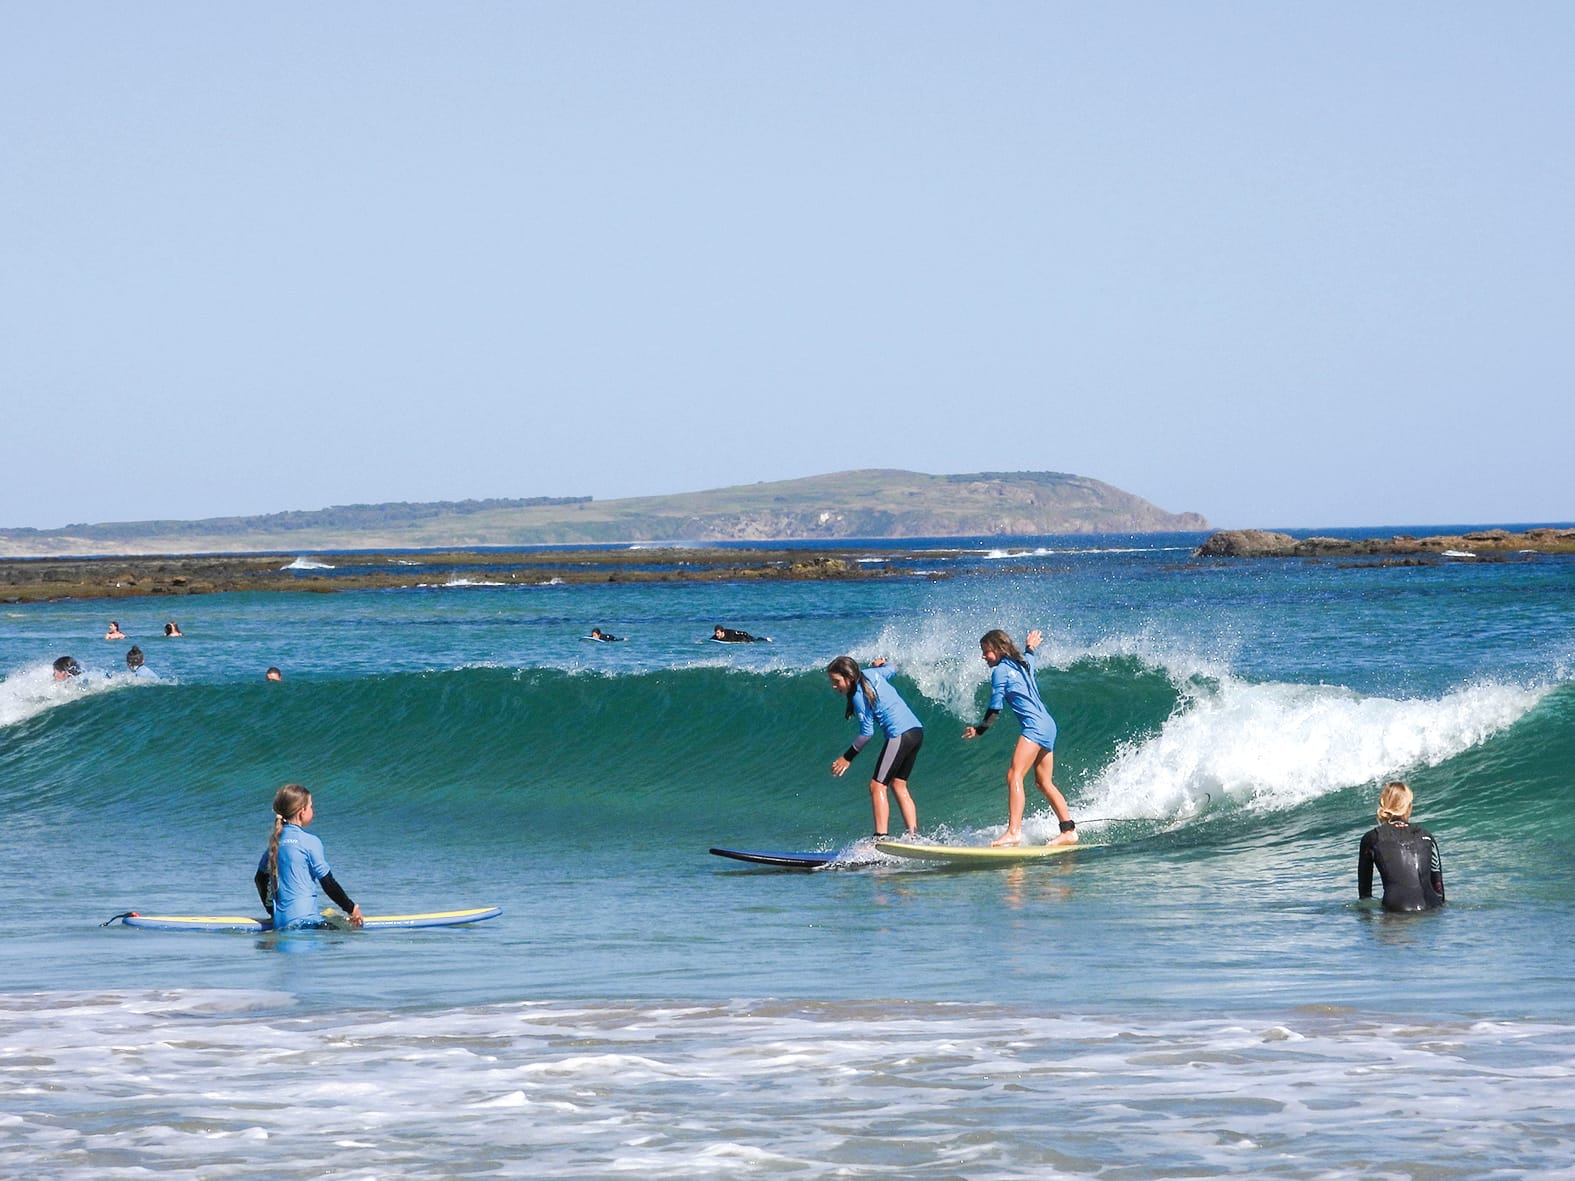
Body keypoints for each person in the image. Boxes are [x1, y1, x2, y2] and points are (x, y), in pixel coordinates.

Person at [962, 628, 1077, 847]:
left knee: (1014, 775)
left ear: (997, 649)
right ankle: (1068, 830)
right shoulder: (1023, 664)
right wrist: (1031, 647)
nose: (983, 656)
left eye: (986, 651)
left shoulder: (1001, 671)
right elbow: (1031, 657)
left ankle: (1014, 832)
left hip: (1034, 727)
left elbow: (995, 707)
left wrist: (979, 730)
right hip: (1048, 725)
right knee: (1044, 782)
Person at [827, 655, 923, 839]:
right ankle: (913, 836)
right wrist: (883, 664)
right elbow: (893, 667)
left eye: (837, 681)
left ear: (849, 676)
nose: (834, 686)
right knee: (898, 784)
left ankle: (880, 837)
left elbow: (866, 734)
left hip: (899, 734)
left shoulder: (858, 696)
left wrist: (846, 758)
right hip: (916, 731)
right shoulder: (872, 673)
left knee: (877, 786)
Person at [254, 783, 364, 929]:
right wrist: (352, 909)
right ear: (302, 811)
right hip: (307, 924)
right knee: (345, 935)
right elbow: (328, 884)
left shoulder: (274, 844)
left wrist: (271, 910)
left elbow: (260, 879)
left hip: (281, 923)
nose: (313, 810)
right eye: (311, 806)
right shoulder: (310, 842)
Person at [1358, 781, 1445, 913]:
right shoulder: (1427, 836)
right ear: (1409, 807)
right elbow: (1439, 889)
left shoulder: (1372, 838)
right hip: (1433, 908)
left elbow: (1365, 897)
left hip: (1397, 910)